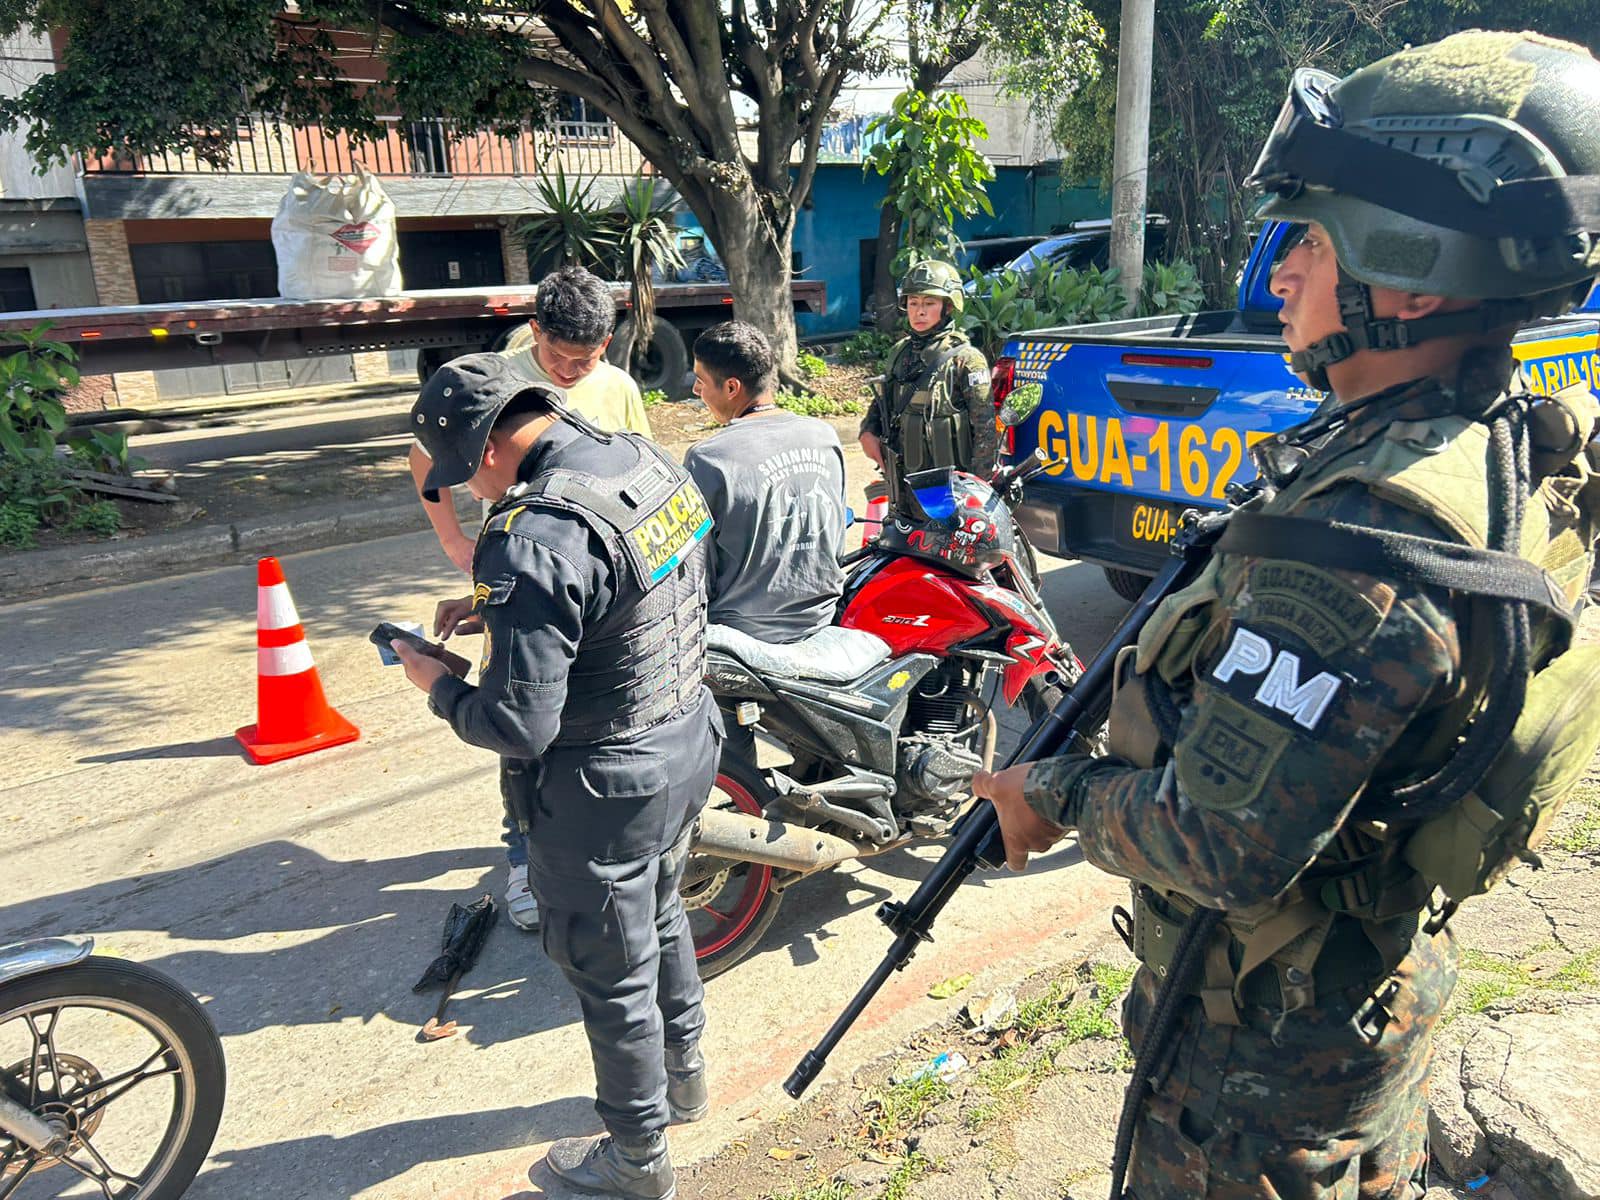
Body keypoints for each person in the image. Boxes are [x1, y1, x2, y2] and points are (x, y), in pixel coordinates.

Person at [973, 30, 1600, 1199]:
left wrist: (1043, 796)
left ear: (1412, 271)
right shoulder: (1500, 436)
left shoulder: (1363, 549)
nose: (1279, 279)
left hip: (1260, 1066)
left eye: (1308, 241)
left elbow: (1218, 845)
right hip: (1365, 996)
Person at [394, 351, 719, 1199]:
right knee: (665, 909)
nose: (470, 493)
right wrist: (502, 608)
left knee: (609, 970)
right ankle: (686, 1080)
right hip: (686, 737)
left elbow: (515, 723)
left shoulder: (529, 533)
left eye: (466, 475)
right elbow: (641, 588)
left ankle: (638, 1159)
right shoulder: (641, 460)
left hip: (602, 786)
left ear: (492, 449)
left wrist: (440, 686)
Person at [408, 264, 653, 933]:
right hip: (520, 577)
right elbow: (425, 458)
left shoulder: (619, 389)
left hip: (597, 589)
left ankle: (591, 841)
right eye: (559, 358)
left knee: (592, 720)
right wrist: (458, 544)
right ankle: (522, 855)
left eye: (588, 359)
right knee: (518, 725)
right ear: (533, 332)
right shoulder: (494, 380)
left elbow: (640, 468)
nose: (572, 372)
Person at [684, 320, 848, 762]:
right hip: (820, 616)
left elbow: (692, 569)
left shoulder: (709, 458)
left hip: (743, 634)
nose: (697, 391)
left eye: (701, 381)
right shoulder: (825, 436)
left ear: (732, 386)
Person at [858, 259, 996, 512]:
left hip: (952, 490)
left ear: (948, 307)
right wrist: (867, 431)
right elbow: (880, 407)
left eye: (929, 303)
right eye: (913, 303)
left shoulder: (966, 359)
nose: (919, 311)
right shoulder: (899, 354)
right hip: (905, 486)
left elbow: (985, 430)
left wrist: (979, 490)